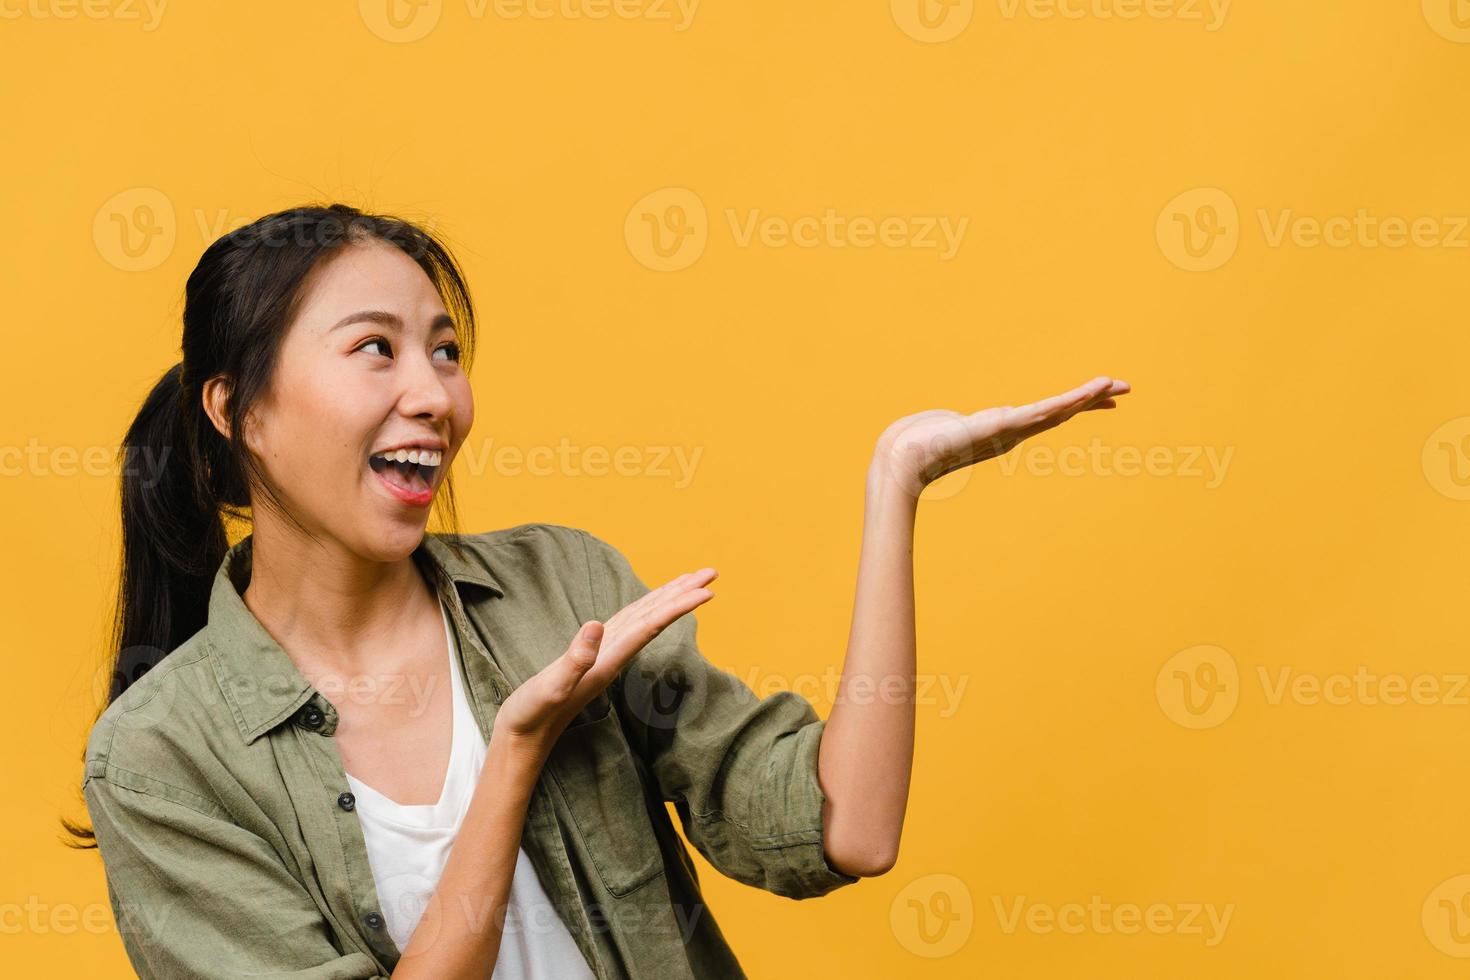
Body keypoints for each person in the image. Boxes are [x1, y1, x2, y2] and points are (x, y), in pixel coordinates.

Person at [62, 203, 1131, 978]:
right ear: (236, 409)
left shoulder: (559, 586)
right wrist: (517, 751)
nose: (433, 395)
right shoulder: (158, 759)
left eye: (444, 350)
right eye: (375, 351)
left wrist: (895, 485)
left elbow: (843, 830)